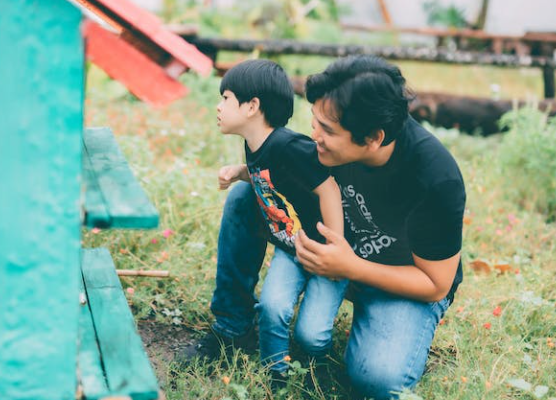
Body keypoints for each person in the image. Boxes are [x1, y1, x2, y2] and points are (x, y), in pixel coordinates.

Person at [182, 55, 466, 400]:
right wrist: (244, 171)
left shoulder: (435, 177)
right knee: (246, 194)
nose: (313, 135)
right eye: (314, 122)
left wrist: (350, 266)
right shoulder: (325, 145)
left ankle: (377, 319)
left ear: (373, 138)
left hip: (398, 279)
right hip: (329, 253)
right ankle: (233, 325)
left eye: (328, 130)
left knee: (378, 379)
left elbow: (436, 284)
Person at [179, 59, 347, 378]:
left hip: (323, 248)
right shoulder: (256, 144)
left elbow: (329, 188)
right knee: (273, 307)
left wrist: (336, 245)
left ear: (252, 106)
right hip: (292, 245)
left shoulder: (289, 145)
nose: (218, 106)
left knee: (311, 336)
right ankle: (274, 375)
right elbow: (271, 175)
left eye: (225, 98)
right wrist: (241, 172)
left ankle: (318, 371)